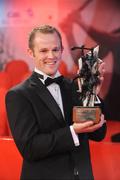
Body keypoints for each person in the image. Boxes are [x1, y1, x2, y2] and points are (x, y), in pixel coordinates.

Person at [5, 24, 106, 180]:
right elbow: (30, 148)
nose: (51, 56)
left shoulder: (74, 86)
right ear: (31, 53)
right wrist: (73, 131)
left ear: (62, 50)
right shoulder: (18, 95)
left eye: (55, 49)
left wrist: (92, 95)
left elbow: (99, 134)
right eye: (44, 51)